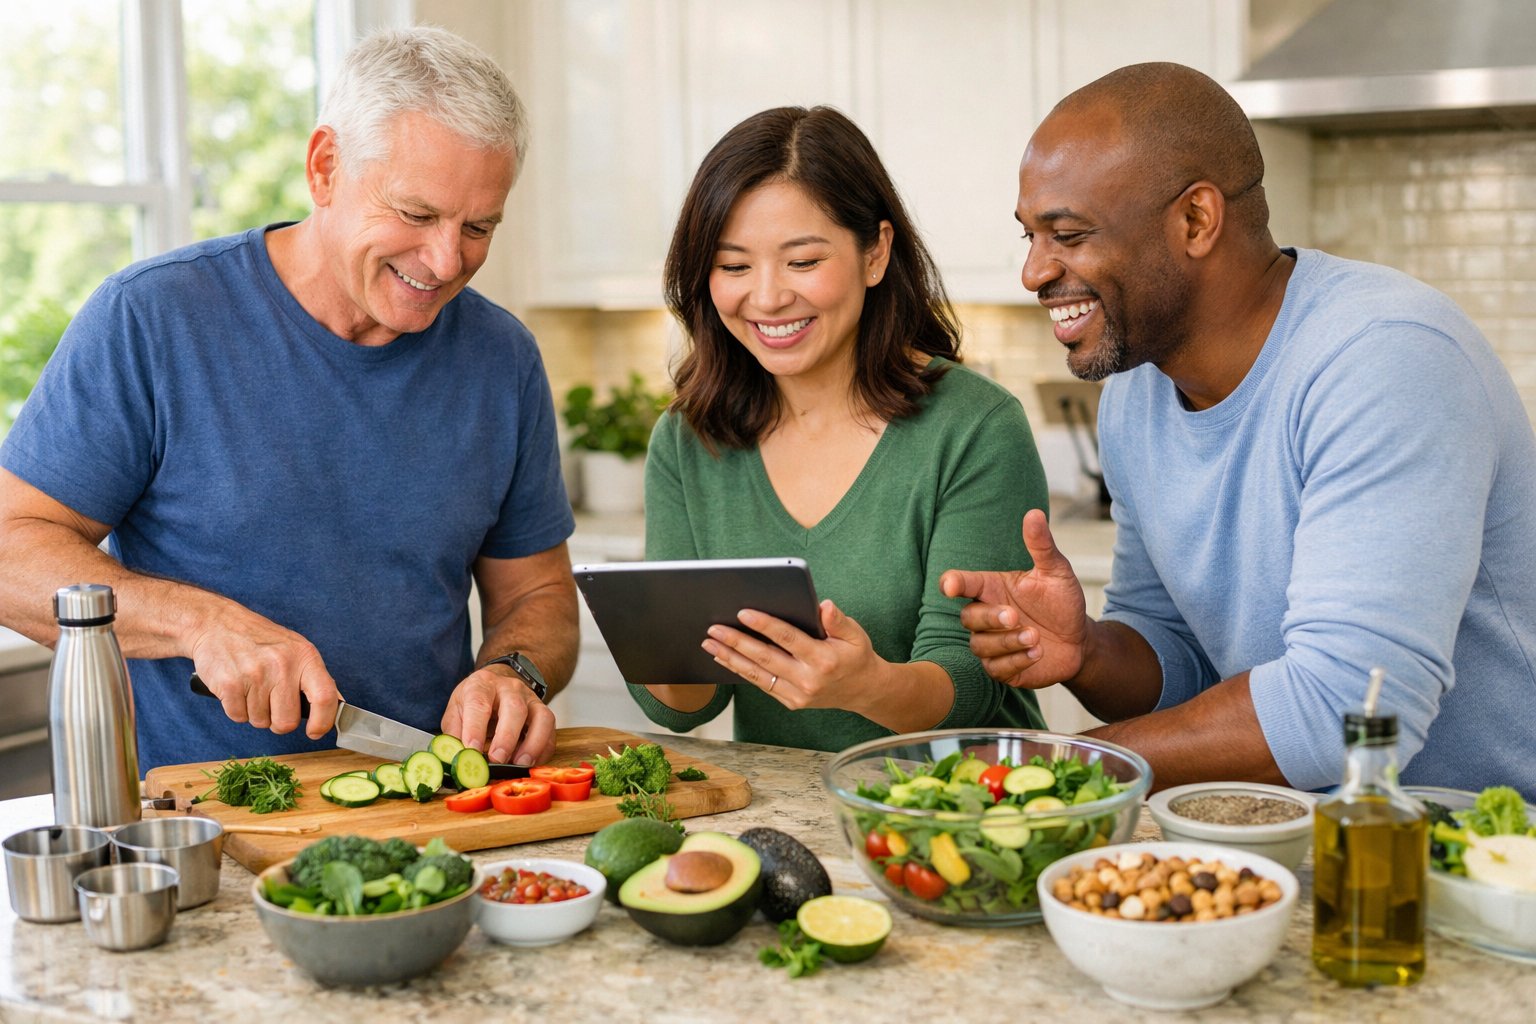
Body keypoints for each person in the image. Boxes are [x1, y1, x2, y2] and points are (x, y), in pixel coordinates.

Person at [941, 62, 1536, 799]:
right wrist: (1087, 650)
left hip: (1491, 856)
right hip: (1302, 843)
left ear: (1196, 219)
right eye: (1030, 236)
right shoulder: (1137, 391)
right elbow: (1179, 662)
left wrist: (1058, 765)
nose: (1033, 272)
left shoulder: (1384, 357)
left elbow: (1346, 712)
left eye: (1068, 234)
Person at [0, 27, 578, 772]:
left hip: (428, 818)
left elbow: (539, 594)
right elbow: (12, 553)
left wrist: (513, 673)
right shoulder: (153, 319)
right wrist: (198, 623)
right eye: (415, 214)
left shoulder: (501, 359)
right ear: (326, 168)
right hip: (196, 828)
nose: (445, 261)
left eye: (478, 228)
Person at [629, 105, 1049, 752]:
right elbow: (685, 708)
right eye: (734, 266)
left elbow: (969, 686)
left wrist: (864, 684)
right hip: (796, 817)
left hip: (968, 814)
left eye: (801, 262)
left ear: (875, 252)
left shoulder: (975, 428)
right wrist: (664, 643)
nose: (766, 298)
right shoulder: (688, 442)